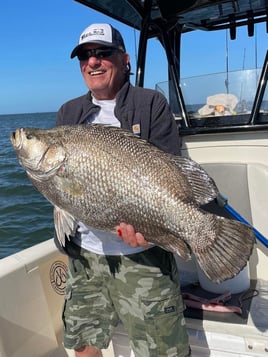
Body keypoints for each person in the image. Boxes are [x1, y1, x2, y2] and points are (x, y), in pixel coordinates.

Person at [55, 23, 190, 357]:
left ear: (124, 59)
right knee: (83, 343)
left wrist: (155, 230)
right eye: (85, 56)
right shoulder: (68, 113)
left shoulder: (151, 104)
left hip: (141, 256)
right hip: (85, 257)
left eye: (103, 53)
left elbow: (169, 174)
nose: (93, 62)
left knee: (162, 351)